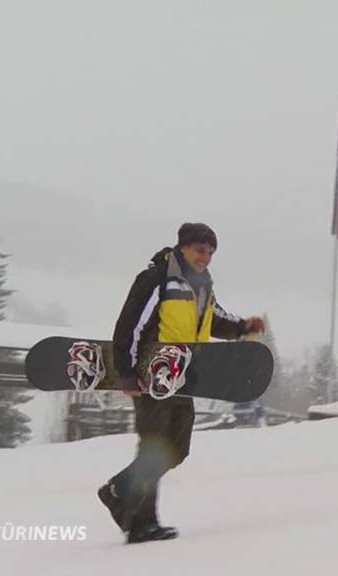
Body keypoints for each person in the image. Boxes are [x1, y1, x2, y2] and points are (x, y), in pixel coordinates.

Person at [97, 223, 265, 544]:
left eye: (211, 252)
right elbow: (128, 327)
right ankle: (140, 523)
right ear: (183, 247)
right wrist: (128, 373)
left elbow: (214, 319)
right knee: (154, 446)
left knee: (177, 448)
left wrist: (243, 327)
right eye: (200, 250)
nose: (206, 257)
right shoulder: (157, 279)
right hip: (152, 375)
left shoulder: (202, 286)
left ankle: (120, 492)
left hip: (183, 376)